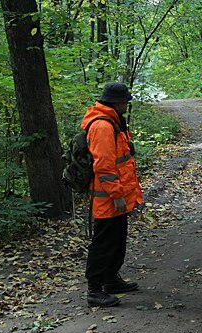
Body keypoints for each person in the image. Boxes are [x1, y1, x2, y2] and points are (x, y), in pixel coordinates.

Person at [81, 82, 143, 307]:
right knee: (104, 243)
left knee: (117, 241)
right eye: (125, 100)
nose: (127, 104)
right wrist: (116, 195)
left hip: (118, 196)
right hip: (108, 198)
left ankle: (110, 280)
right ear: (117, 102)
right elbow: (105, 167)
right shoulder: (103, 127)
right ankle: (94, 290)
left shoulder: (114, 121)